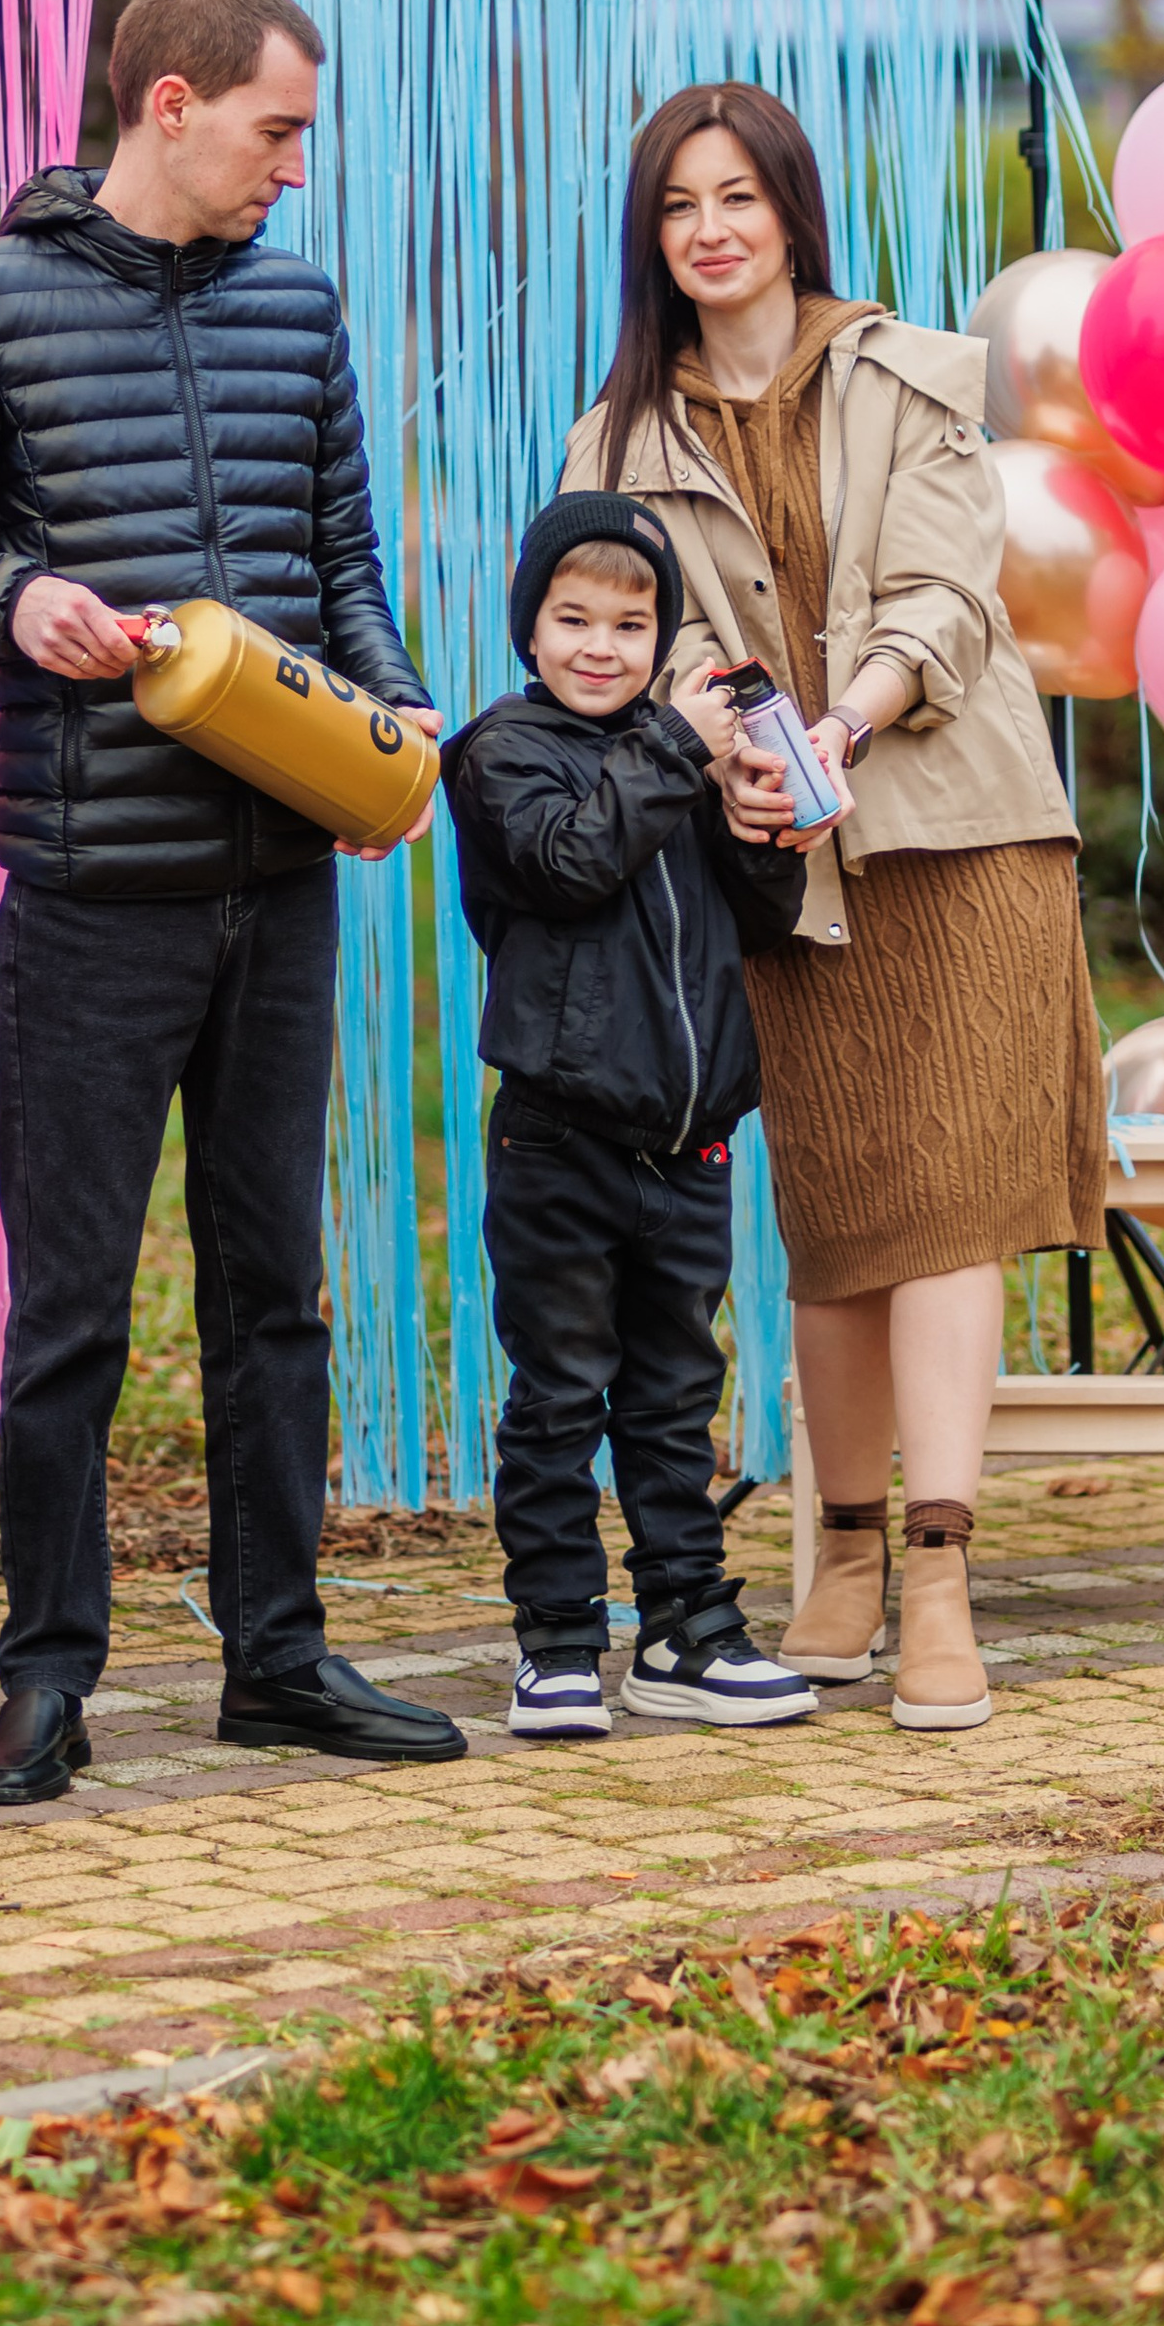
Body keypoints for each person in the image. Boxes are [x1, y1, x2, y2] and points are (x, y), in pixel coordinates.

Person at [0, 0, 463, 1804]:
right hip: (95, 901)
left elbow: (342, 568)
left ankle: (281, 1660)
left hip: (286, 885)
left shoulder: (299, 309)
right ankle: (47, 1679)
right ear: (169, 108)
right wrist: (8, 597)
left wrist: (392, 721)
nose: (297, 169)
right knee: (72, 1310)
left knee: (279, 1295)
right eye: (280, 130)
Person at [563, 82, 1106, 1734]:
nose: (714, 229)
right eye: (680, 206)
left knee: (943, 1206)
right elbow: (635, 638)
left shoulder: (919, 373)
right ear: (654, 237)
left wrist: (844, 725)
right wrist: (724, 745)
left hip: (955, 842)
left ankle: (937, 1569)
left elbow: (949, 598)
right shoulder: (620, 439)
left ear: (794, 209)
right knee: (838, 1219)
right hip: (776, 865)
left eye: (741, 197)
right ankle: (847, 1550)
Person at [442, 493, 815, 1741]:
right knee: (559, 1401)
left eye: (629, 623)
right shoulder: (504, 753)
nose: (600, 646)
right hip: (559, 1143)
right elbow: (565, 862)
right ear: (530, 628)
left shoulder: (679, 762)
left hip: (689, 1146)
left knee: (670, 1403)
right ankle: (554, 1646)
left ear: (662, 638)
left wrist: (763, 820)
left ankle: (686, 1633)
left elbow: (754, 926)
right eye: (573, 619)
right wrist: (674, 754)